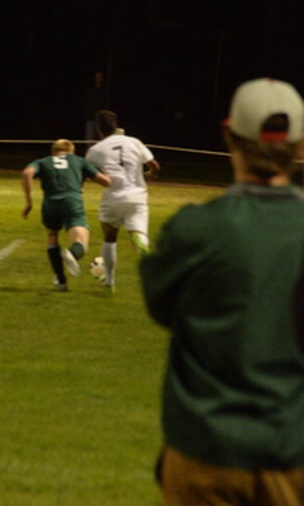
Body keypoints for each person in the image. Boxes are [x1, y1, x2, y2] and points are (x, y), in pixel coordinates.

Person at [139, 77, 304, 506]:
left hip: (206, 452)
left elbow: (159, 306)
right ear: (299, 146)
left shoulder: (196, 228)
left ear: (230, 136)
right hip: (294, 451)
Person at [21, 138, 110, 291]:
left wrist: (29, 202)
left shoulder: (43, 161)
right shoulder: (79, 160)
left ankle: (61, 280)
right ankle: (72, 254)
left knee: (52, 236)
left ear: (53, 151)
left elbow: (27, 173)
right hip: (71, 201)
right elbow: (105, 181)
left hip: (49, 204)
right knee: (80, 242)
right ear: (71, 151)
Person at [85, 110, 160, 290]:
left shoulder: (96, 150)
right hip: (137, 196)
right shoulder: (134, 141)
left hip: (114, 197)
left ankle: (109, 281)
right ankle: (140, 243)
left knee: (110, 238)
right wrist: (151, 174)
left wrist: (99, 178)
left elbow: (87, 172)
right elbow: (154, 165)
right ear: (116, 125)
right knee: (139, 232)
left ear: (99, 129)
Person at [82, 71, 109, 144]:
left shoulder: (105, 91)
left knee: (102, 137)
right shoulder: (90, 90)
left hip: (101, 118)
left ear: (102, 78)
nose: (98, 79)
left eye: (100, 77)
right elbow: (86, 102)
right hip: (91, 117)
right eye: (97, 77)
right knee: (89, 138)